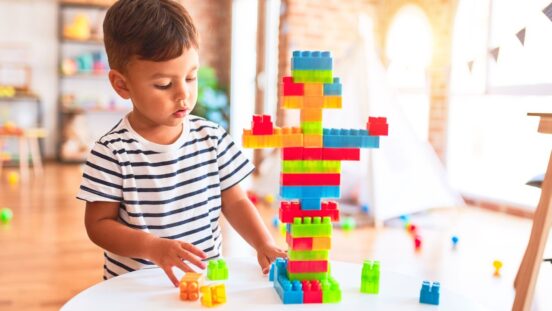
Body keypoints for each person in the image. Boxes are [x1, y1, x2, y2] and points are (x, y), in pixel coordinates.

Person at [77, 0, 285, 287]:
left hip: (201, 281)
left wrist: (263, 243)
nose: (183, 95)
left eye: (191, 77)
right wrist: (152, 247)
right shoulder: (112, 151)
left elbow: (235, 200)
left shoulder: (212, 138)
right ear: (122, 85)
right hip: (135, 287)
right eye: (164, 84)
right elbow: (98, 226)